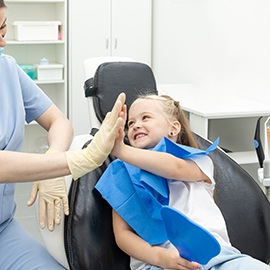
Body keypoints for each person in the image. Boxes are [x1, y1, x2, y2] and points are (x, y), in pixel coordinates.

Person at [0, 1, 125, 268]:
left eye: (3, 31)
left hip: (3, 231)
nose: (3, 43)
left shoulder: (7, 69)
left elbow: (58, 121)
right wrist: (77, 160)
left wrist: (55, 153)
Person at [95, 94, 270, 270]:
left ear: (174, 127)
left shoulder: (198, 161)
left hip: (218, 257)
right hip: (157, 263)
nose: (136, 125)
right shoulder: (121, 175)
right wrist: (160, 257)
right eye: (130, 123)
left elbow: (174, 168)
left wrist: (122, 151)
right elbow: (122, 234)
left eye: (145, 117)